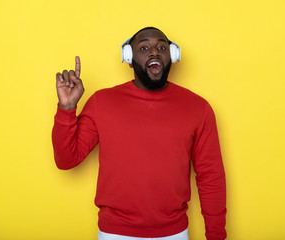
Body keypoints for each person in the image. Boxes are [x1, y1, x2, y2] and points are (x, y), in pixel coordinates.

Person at [52, 27, 226, 240]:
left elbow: (211, 177)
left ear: (172, 55)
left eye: (162, 47)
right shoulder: (102, 102)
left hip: (175, 233)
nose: (155, 52)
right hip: (114, 233)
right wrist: (67, 109)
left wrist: (216, 235)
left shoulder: (198, 108)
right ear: (129, 57)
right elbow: (66, 160)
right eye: (144, 47)